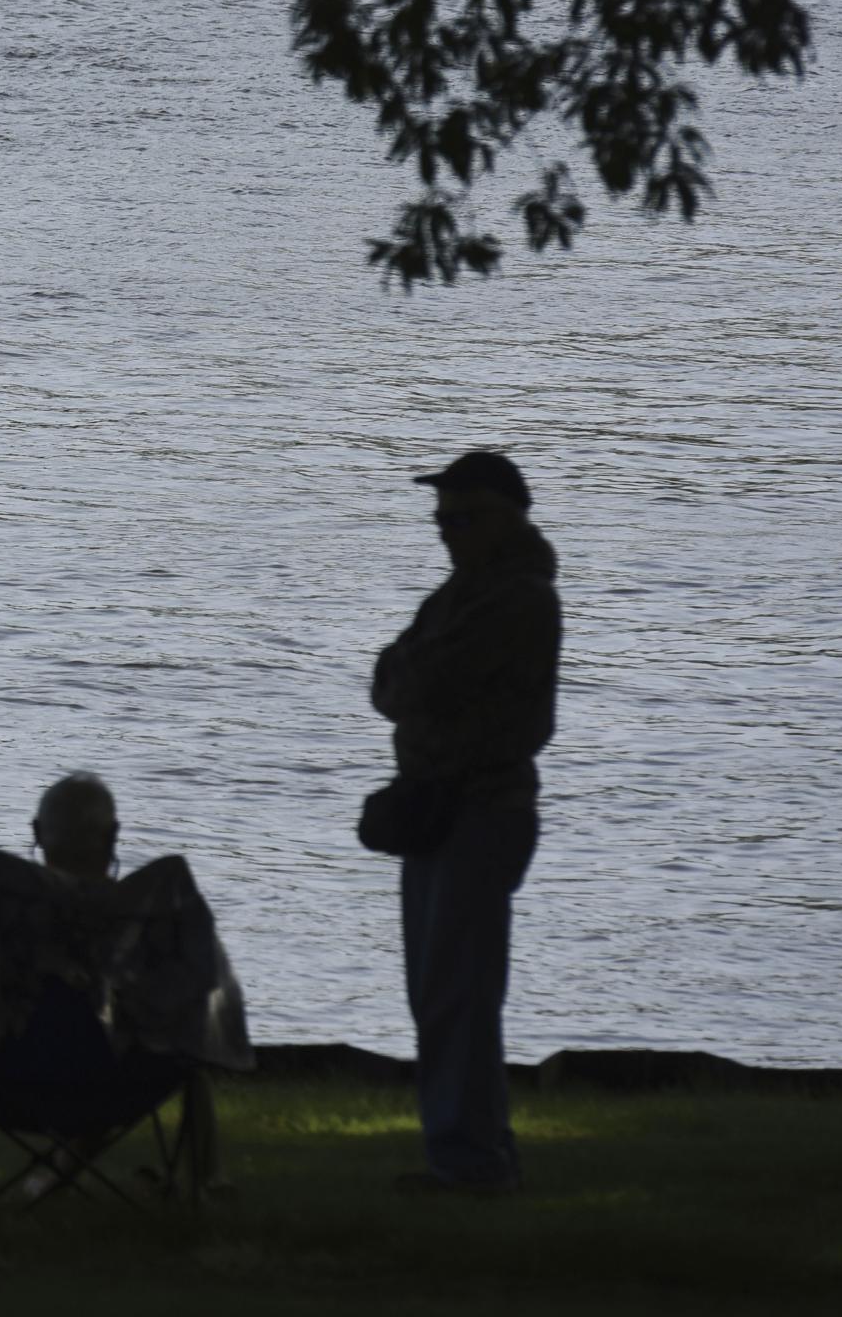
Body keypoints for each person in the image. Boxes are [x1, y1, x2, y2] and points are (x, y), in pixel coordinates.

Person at [0, 774, 250, 1195]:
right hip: (124, 1089)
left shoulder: (8, 909)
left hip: (12, 1086)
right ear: (113, 835)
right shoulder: (149, 921)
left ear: (37, 834)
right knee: (162, 1039)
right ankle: (205, 1178)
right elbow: (202, 999)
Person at [373, 449, 560, 1196]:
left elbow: (414, 677)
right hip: (441, 812)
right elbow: (392, 680)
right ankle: (464, 1153)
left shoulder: (514, 599)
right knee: (438, 989)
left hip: (481, 812)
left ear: (508, 516)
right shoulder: (463, 594)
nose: (447, 531)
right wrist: (407, 677)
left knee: (459, 991)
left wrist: (408, 677)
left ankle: (474, 1162)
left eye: (463, 517)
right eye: (441, 519)